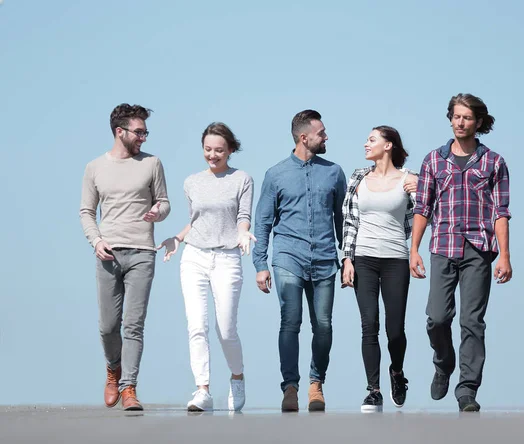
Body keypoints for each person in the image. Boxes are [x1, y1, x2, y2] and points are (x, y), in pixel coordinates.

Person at [410, 93, 512, 412]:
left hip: (479, 250)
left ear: (478, 123)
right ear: (450, 118)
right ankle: (443, 363)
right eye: (456, 116)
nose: (460, 122)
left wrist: (505, 256)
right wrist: (413, 249)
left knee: (472, 321)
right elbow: (422, 207)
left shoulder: (494, 162)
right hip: (442, 246)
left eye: (467, 117)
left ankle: (467, 389)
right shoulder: (433, 161)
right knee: (437, 318)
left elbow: (501, 211)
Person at [253, 110, 346, 412]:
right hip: (287, 257)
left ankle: (316, 384)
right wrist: (261, 265)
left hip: (324, 260)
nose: (326, 137)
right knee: (290, 321)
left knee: (324, 325)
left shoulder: (334, 172)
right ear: (304, 137)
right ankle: (290, 387)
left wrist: (348, 259)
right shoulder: (276, 174)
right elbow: (263, 222)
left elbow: (343, 222)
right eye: (321, 132)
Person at [157, 123, 254, 412]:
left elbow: (243, 215)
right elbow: (198, 220)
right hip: (194, 257)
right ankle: (203, 390)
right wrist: (177, 237)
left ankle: (237, 376)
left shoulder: (242, 179)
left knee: (226, 330)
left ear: (231, 150)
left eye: (219, 150)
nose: (213, 155)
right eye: (208, 149)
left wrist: (243, 231)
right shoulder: (191, 182)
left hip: (227, 258)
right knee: (196, 326)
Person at [80, 103, 171, 411]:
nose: (143, 137)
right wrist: (96, 241)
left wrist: (159, 212)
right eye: (139, 132)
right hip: (108, 255)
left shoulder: (152, 163)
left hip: (143, 253)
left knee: (133, 325)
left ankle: (129, 387)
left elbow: (164, 202)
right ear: (120, 132)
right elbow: (86, 212)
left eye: (146, 132)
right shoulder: (95, 167)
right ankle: (112, 368)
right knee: (108, 326)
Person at [341, 126, 418, 412]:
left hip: (396, 259)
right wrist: (347, 259)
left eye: (372, 140)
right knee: (369, 324)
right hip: (364, 258)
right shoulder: (358, 177)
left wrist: (421, 184)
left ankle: (396, 372)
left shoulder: (408, 179)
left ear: (388, 145)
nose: (365, 144)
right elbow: (349, 220)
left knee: (395, 329)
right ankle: (373, 390)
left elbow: (425, 212)